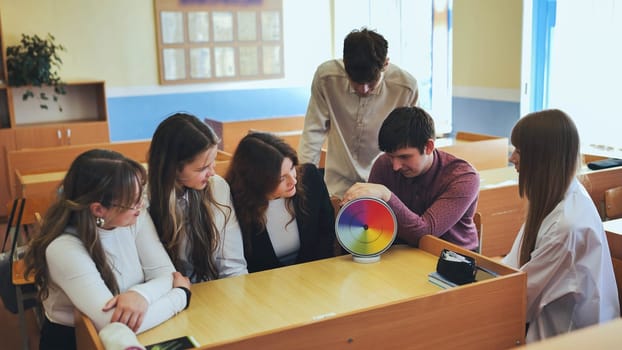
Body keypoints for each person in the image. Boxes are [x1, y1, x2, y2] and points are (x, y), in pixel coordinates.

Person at [24, 149, 190, 350]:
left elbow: (166, 274)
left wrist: (140, 295)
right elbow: (116, 326)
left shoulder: (134, 216)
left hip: (143, 330)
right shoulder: (63, 249)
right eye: (133, 201)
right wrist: (181, 295)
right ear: (98, 210)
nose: (142, 205)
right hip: (76, 342)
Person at [501, 109, 619, 342]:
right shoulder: (559, 198)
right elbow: (514, 265)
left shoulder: (566, 225)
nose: (512, 157)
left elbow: (520, 299)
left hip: (572, 339)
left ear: (542, 159)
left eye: (519, 151)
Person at [298, 27, 419, 197]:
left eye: (371, 81)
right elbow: (313, 132)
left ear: (385, 64)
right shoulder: (326, 78)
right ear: (344, 65)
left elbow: (413, 142)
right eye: (356, 82)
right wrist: (304, 182)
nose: (364, 89)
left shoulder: (405, 87)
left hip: (386, 185)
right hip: (337, 183)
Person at [342, 106, 479, 250]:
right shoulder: (383, 164)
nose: (395, 166)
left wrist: (386, 195)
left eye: (404, 157)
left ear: (428, 147)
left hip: (453, 260)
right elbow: (370, 223)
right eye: (390, 156)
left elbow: (426, 234)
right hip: (401, 254)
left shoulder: (463, 177)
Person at [148, 113, 247, 282]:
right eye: (202, 168)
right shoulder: (144, 202)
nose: (212, 172)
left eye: (213, 162)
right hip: (166, 294)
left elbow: (232, 264)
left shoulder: (217, 187)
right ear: (173, 168)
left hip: (212, 291)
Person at [225, 132, 336, 272]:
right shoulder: (234, 203)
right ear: (257, 181)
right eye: (281, 178)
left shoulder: (310, 179)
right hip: (262, 285)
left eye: (292, 168)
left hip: (312, 277)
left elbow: (326, 235)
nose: (293, 180)